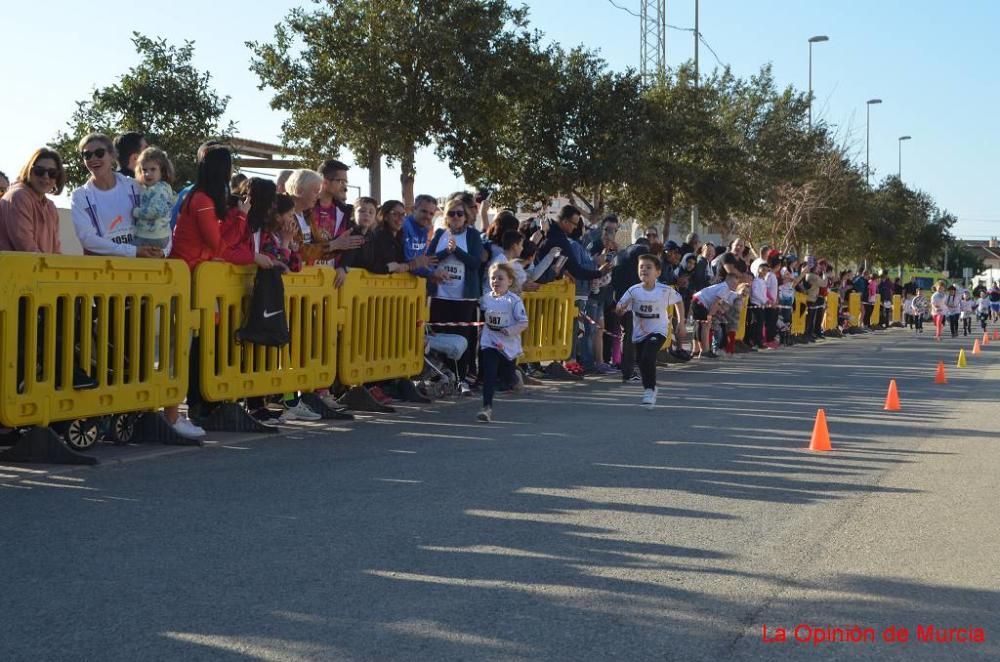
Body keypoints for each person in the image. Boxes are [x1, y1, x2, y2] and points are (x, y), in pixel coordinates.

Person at [169, 145, 232, 435]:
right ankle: (179, 412)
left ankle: (188, 407)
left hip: (194, 276)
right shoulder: (203, 198)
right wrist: (240, 216)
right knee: (185, 346)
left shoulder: (199, 195)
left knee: (192, 344)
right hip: (191, 278)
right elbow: (216, 242)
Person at [428, 196, 485, 393]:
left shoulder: (473, 235)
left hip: (463, 297)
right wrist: (446, 252)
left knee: (462, 339)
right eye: (451, 213)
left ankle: (462, 378)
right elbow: (430, 259)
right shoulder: (440, 233)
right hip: (441, 295)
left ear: (466, 216)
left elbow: (475, 263)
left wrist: (457, 251)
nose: (455, 217)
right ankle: (442, 376)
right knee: (440, 336)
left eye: (459, 213)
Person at [71, 133, 159, 257]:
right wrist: (133, 251)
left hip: (139, 267)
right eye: (87, 155)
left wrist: (162, 251)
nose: (93, 158)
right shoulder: (80, 196)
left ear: (112, 156)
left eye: (99, 153)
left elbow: (159, 220)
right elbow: (87, 239)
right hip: (104, 271)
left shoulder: (134, 186)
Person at [616, 254, 686, 407]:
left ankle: (650, 390)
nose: (644, 270)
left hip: (658, 331)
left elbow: (679, 301)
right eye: (641, 267)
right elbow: (619, 309)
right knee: (642, 360)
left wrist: (681, 322)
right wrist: (621, 309)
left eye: (648, 267)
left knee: (648, 357)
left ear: (658, 272)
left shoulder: (664, 290)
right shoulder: (633, 291)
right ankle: (649, 388)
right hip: (639, 334)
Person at [476, 262, 528, 423]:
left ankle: (515, 377)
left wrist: (510, 330)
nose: (496, 281)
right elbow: (482, 315)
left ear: (510, 281)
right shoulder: (485, 299)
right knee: (489, 376)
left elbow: (523, 322)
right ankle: (486, 408)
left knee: (507, 377)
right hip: (490, 342)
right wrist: (479, 328)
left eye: (500, 278)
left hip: (508, 345)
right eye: (493, 278)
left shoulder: (514, 301)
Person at [0, 148, 64, 253]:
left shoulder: (50, 206)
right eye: (40, 171)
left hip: (38, 267)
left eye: (52, 173)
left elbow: (56, 251)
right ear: (29, 170)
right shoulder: (18, 197)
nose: (46, 177)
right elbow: (26, 247)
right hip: (15, 268)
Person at [358, 200, 437, 275]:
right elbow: (368, 264)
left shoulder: (400, 238)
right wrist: (388, 268)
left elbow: (404, 264)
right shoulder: (377, 237)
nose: (400, 218)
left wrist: (413, 265)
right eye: (395, 214)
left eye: (403, 214)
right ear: (385, 216)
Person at [691, 272, 749, 359]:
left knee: (698, 326)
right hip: (700, 303)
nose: (735, 285)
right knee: (706, 325)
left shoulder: (723, 287)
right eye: (733, 283)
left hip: (697, 300)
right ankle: (705, 351)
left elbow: (718, 304)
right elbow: (716, 303)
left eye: (736, 283)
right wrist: (710, 316)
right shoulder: (725, 288)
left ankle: (696, 350)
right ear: (728, 281)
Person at [132, 147, 176, 252]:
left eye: (153, 169)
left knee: (126, 253)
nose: (147, 174)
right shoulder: (152, 188)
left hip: (151, 236)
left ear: (162, 170)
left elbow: (156, 211)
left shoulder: (160, 189)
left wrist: (136, 212)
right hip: (156, 236)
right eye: (144, 170)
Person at [403, 194, 441, 283]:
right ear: (414, 209)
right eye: (424, 211)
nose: (427, 216)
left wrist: (432, 271)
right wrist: (431, 273)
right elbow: (410, 262)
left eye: (431, 213)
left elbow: (421, 261)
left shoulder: (424, 229)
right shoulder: (405, 226)